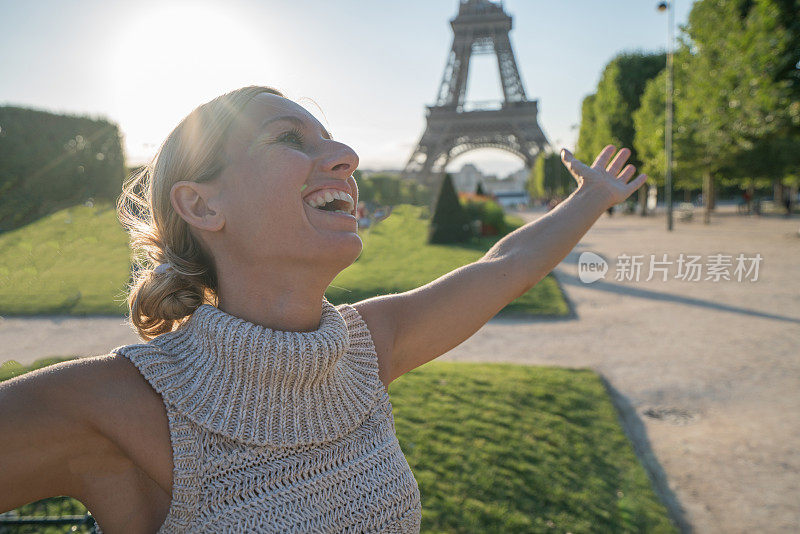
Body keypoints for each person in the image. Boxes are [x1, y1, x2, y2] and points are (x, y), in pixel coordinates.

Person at [0, 86, 648, 533]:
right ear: (202, 206)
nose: (347, 158)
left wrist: (591, 199)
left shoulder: (369, 346)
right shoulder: (112, 403)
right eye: (289, 137)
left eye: (333, 141)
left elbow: (501, 267)